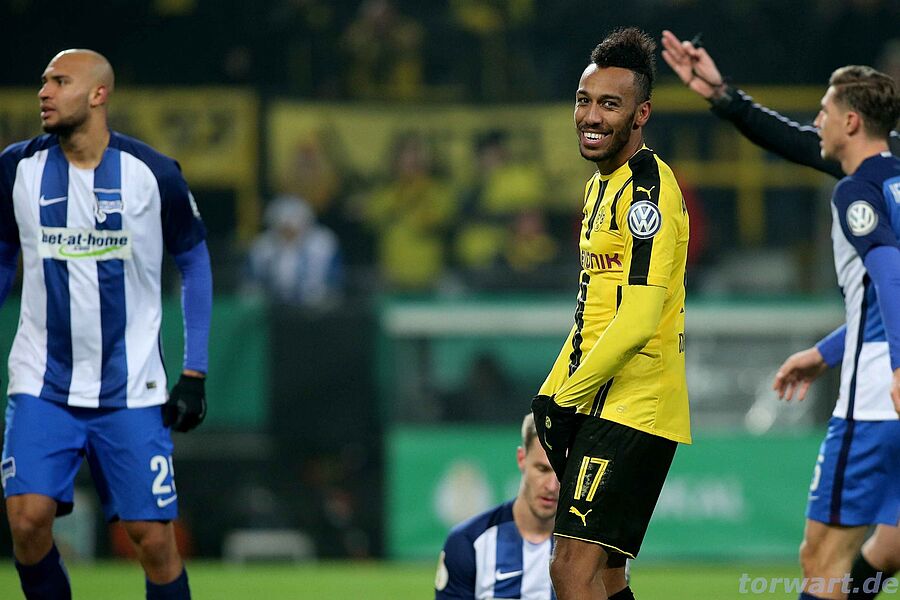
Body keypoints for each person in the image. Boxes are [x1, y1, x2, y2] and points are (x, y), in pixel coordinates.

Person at [662, 31, 900, 600]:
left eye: (825, 111)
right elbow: (797, 141)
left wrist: (897, 365)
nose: (816, 121)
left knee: (821, 557)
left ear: (850, 122)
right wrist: (826, 352)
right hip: (880, 372)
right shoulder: (893, 176)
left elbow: (891, 278)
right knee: (889, 547)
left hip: (876, 396)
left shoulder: (857, 192)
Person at [0, 49, 212, 599]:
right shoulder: (16, 168)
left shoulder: (153, 173)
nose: (44, 92)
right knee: (26, 522)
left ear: (98, 95)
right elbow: (3, 253)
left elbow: (194, 262)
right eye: (43, 81)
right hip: (42, 383)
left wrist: (194, 371)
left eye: (60, 81)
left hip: (130, 389)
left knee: (153, 540)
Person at [531, 28, 690, 600]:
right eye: (584, 100)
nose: (591, 116)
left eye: (610, 104)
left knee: (569, 570)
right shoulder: (600, 186)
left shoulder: (648, 193)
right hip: (603, 401)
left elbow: (639, 318)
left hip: (634, 407)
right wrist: (550, 394)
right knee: (604, 575)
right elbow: (590, 313)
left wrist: (569, 396)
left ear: (641, 114)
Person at [434, 413, 561, 599]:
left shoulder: (590, 549)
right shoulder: (468, 542)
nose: (551, 486)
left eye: (562, 473)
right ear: (522, 459)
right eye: (542, 469)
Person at [244, 194, 343, 308]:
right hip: (271, 304)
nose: (289, 231)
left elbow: (335, 277)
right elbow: (251, 278)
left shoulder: (323, 243)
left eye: (293, 227)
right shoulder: (262, 245)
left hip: (315, 305)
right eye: (284, 228)